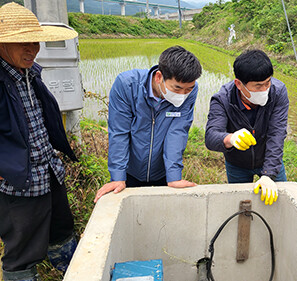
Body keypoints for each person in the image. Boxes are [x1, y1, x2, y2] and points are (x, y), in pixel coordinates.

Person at [0, 2, 79, 280]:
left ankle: (75, 274)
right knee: (22, 251)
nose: (32, 49)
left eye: (35, 41)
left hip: (48, 172)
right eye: (22, 42)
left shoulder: (30, 74)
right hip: (17, 182)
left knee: (62, 231)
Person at [94, 46, 202, 202]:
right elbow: (119, 132)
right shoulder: (127, 85)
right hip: (132, 169)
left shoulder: (190, 91)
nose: (182, 95)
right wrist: (118, 176)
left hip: (162, 170)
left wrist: (173, 177)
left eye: (188, 89)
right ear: (159, 77)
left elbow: (177, 132)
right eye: (177, 88)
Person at [205, 50, 289, 205]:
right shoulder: (222, 100)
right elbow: (211, 136)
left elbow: (276, 134)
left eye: (267, 83)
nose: (264, 90)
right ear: (239, 84)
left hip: (270, 160)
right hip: (237, 164)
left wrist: (268, 174)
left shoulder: (278, 92)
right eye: (258, 86)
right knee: (241, 204)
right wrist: (230, 138)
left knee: (278, 202)